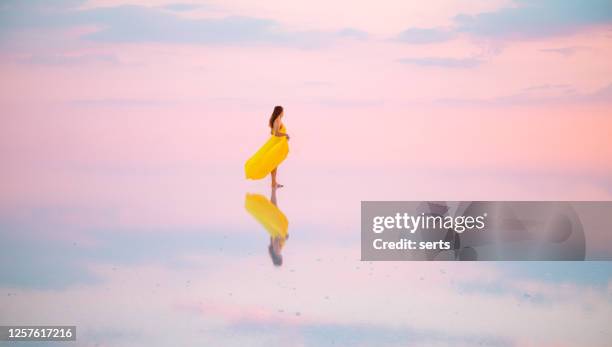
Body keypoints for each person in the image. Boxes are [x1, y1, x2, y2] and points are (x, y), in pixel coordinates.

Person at [268, 106, 290, 188]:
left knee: (275, 164)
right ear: (280, 112)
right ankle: (273, 183)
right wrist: (285, 135)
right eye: (283, 111)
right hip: (275, 145)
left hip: (276, 143)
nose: (283, 113)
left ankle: (274, 183)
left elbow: (271, 132)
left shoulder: (276, 120)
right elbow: (276, 133)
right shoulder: (277, 120)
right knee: (274, 164)